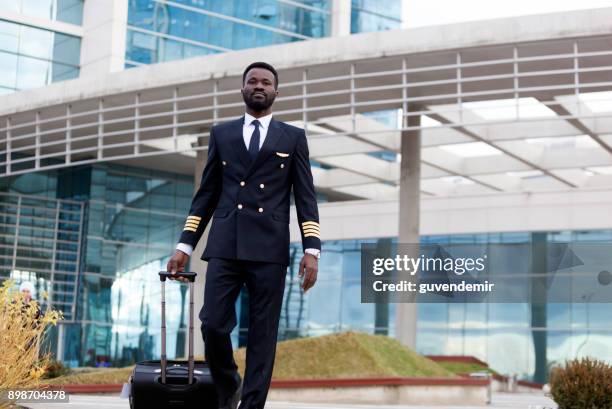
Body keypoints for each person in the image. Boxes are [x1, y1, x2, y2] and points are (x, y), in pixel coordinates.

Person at [166, 61, 320, 409]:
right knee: (212, 324)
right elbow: (205, 195)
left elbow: (305, 196)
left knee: (263, 336)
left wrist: (313, 249)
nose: (259, 86)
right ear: (243, 89)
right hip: (226, 244)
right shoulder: (222, 134)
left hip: (269, 248)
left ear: (276, 92)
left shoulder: (292, 137)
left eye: (266, 82)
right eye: (252, 81)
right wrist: (183, 246)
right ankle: (230, 382)